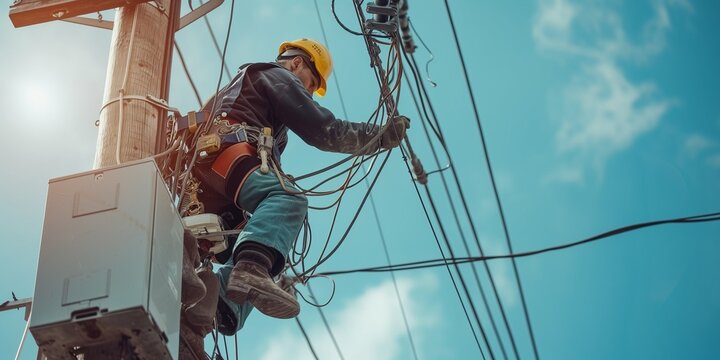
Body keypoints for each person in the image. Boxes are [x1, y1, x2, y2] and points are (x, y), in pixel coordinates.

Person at [185, 38, 409, 338]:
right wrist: (378, 136)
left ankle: (216, 303)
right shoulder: (276, 76)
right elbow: (323, 130)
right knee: (287, 200)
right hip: (224, 157)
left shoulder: (252, 104)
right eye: (311, 82)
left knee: (269, 238)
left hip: (202, 184)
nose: (307, 90)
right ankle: (248, 273)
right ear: (297, 63)